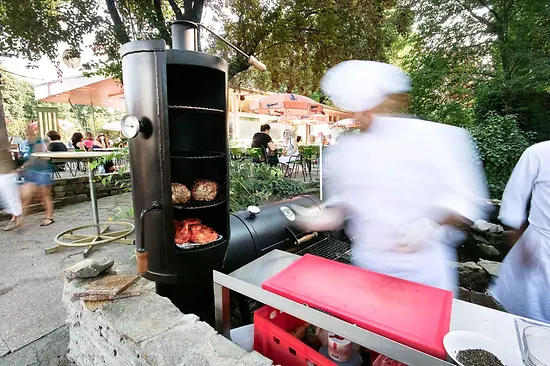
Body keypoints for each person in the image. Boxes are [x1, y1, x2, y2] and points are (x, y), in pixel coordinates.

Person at [293, 60, 488, 294]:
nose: (362, 116)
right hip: (370, 268)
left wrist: (430, 223)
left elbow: (467, 201)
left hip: (423, 274)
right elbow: (347, 201)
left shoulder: (436, 137)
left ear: (392, 101)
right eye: (357, 108)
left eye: (370, 106)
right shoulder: (349, 149)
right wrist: (326, 215)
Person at [489, 142, 550, 323]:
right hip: (540, 246)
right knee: (526, 316)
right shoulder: (538, 153)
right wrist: (519, 240)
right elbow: (513, 200)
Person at [20, 125, 55, 227]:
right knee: (25, 195)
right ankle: (19, 219)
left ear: (35, 132)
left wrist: (24, 165)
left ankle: (49, 217)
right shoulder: (24, 143)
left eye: (31, 134)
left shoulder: (40, 142)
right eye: (27, 134)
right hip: (30, 171)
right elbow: (23, 156)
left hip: (42, 170)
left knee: (44, 194)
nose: (29, 136)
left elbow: (39, 156)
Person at [0, 119, 22, 231]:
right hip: (5, 171)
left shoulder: (2, 135)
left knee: (10, 197)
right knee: (9, 197)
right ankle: (16, 218)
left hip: (5, 171)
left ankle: (16, 219)